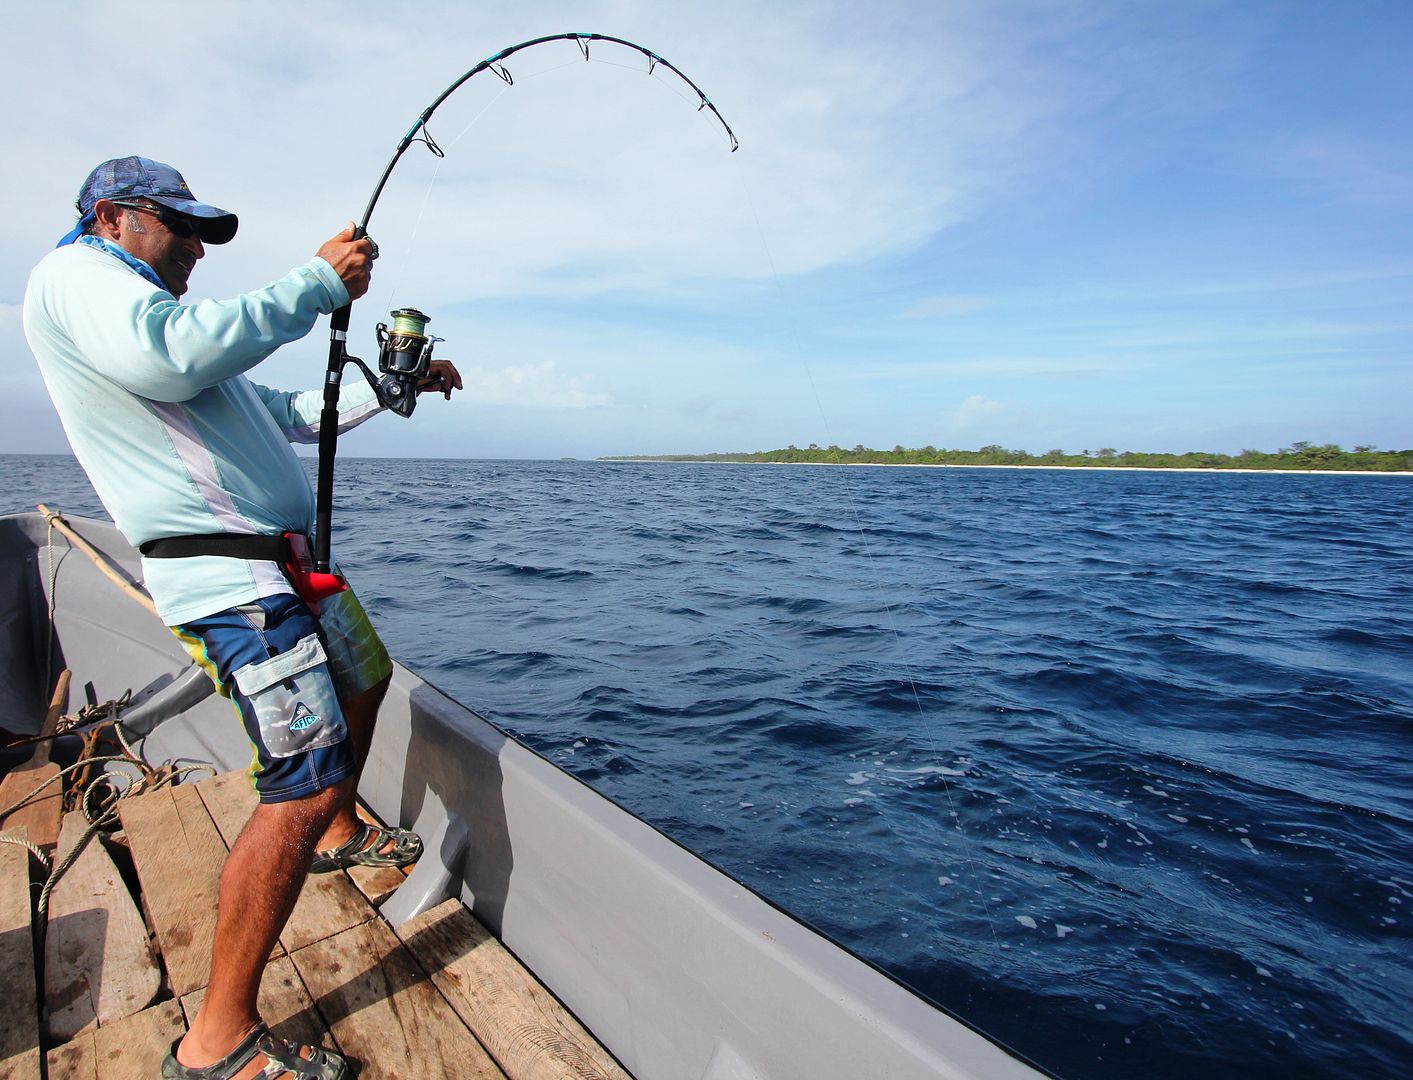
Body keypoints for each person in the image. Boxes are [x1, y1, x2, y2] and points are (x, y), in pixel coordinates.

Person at [24, 156, 462, 1079]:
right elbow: (172, 355)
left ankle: (340, 832)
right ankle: (217, 1038)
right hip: (235, 594)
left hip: (284, 574)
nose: (193, 247)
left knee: (365, 677)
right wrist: (312, 284)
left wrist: (394, 386)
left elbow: (291, 410)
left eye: (201, 233)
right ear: (111, 218)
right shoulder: (80, 281)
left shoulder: (168, 332)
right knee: (296, 784)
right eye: (177, 226)